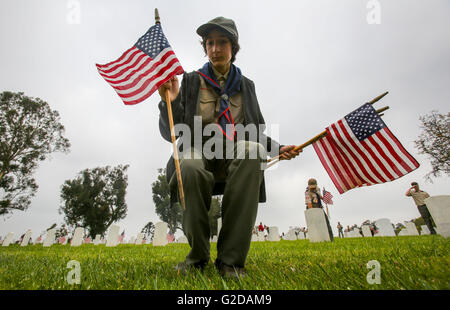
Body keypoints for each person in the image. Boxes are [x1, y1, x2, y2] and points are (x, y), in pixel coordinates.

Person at [157, 16, 301, 278]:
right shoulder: (189, 81)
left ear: (233, 47)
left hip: (233, 151)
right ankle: (197, 258)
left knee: (253, 150)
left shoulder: (247, 86)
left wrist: (277, 148)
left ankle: (231, 262)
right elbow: (171, 133)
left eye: (222, 42)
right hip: (197, 149)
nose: (215, 48)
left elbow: (254, 132)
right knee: (187, 166)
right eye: (209, 43)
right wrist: (170, 100)